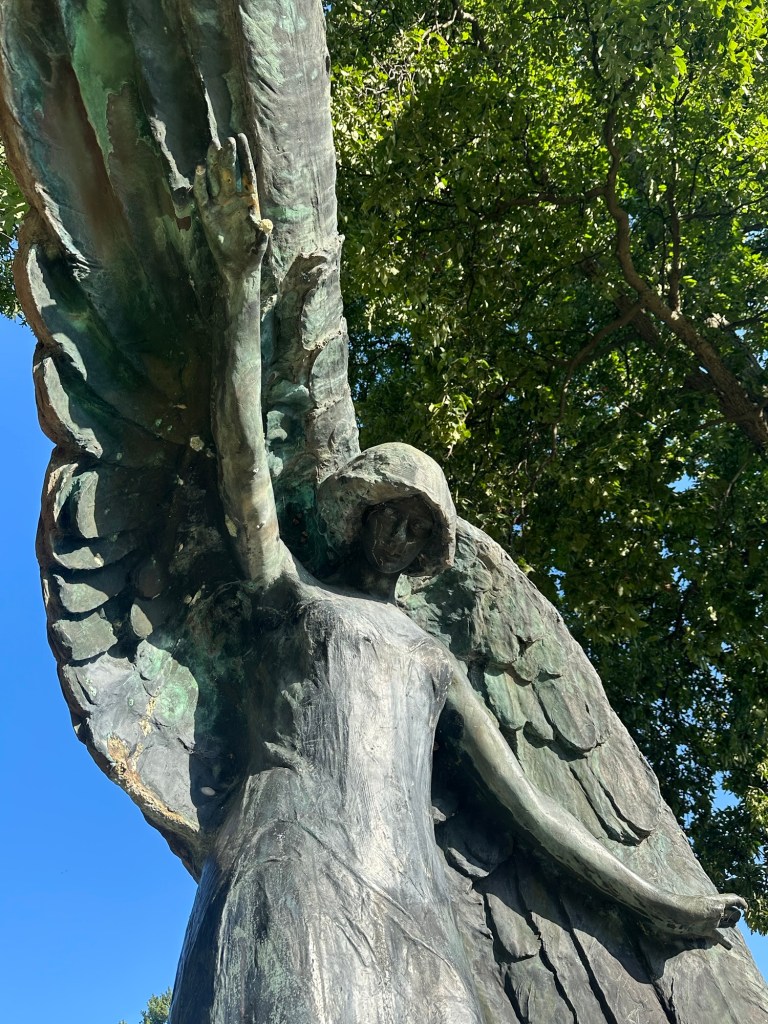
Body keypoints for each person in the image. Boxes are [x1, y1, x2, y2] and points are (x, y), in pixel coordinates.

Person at [168, 138, 745, 1023]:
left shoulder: (434, 661)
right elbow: (244, 467)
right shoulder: (294, 595)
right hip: (293, 866)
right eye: (393, 513)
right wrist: (239, 286)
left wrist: (663, 903)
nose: (402, 534)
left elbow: (533, 816)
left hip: (414, 901)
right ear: (362, 511)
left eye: (422, 527)